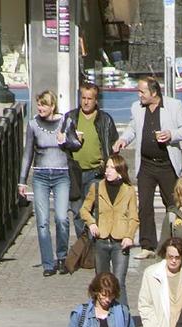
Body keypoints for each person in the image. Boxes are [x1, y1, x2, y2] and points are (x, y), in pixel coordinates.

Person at [113, 77, 182, 259]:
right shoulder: (137, 108)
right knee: (145, 206)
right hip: (146, 164)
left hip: (166, 164)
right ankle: (147, 245)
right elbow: (133, 128)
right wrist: (123, 139)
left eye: (142, 91)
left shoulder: (174, 105)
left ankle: (174, 243)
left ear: (154, 93)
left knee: (172, 205)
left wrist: (171, 134)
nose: (139, 95)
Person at [18, 89, 71, 276]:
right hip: (40, 175)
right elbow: (28, 153)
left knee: (62, 218)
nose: (40, 108)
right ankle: (48, 263)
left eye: (44, 104)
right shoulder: (33, 125)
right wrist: (22, 181)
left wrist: (66, 140)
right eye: (39, 104)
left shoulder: (65, 122)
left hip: (61, 174)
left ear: (52, 106)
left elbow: (76, 145)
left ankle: (62, 256)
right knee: (42, 222)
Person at [62, 82, 120, 240]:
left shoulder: (105, 119)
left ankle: (93, 245)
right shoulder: (71, 117)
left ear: (96, 101)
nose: (86, 102)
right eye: (83, 98)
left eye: (90, 98)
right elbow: (62, 142)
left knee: (93, 211)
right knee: (77, 211)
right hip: (74, 172)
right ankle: (84, 246)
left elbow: (113, 143)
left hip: (95, 172)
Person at [80, 152, 139, 305]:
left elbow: (134, 217)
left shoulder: (129, 190)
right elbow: (84, 209)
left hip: (121, 242)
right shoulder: (97, 187)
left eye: (112, 168)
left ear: (120, 171)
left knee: (119, 282)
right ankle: (100, 316)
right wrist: (92, 223)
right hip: (101, 240)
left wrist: (129, 236)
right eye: (107, 167)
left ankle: (123, 318)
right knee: (101, 282)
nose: (108, 171)